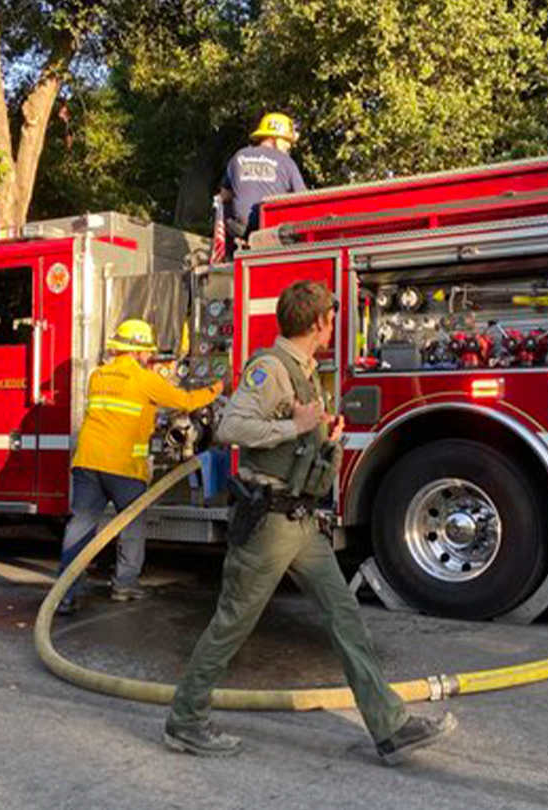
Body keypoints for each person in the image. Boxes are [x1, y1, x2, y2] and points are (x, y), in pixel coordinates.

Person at [163, 281, 456, 764]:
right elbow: (231, 427)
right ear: (319, 322)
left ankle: (390, 727)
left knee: (344, 616)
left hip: (299, 523)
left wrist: (321, 435)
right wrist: (296, 426)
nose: (334, 326)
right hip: (268, 525)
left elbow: (292, 441)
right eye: (332, 319)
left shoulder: (303, 370)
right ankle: (185, 720)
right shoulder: (271, 368)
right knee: (232, 624)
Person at [57, 319, 223, 614]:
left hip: (87, 462)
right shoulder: (144, 379)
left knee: (80, 525)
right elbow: (185, 401)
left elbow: (121, 412)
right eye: (147, 351)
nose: (150, 356)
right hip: (123, 467)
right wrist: (217, 388)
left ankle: (65, 593)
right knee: (131, 525)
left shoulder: (98, 376)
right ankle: (124, 585)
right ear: (136, 351)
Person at [221, 112, 307, 244]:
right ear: (274, 138)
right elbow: (303, 198)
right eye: (286, 141)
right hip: (271, 230)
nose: (289, 146)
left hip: (241, 229)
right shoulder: (286, 161)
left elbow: (224, 194)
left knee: (224, 205)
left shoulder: (239, 155)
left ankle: (229, 252)